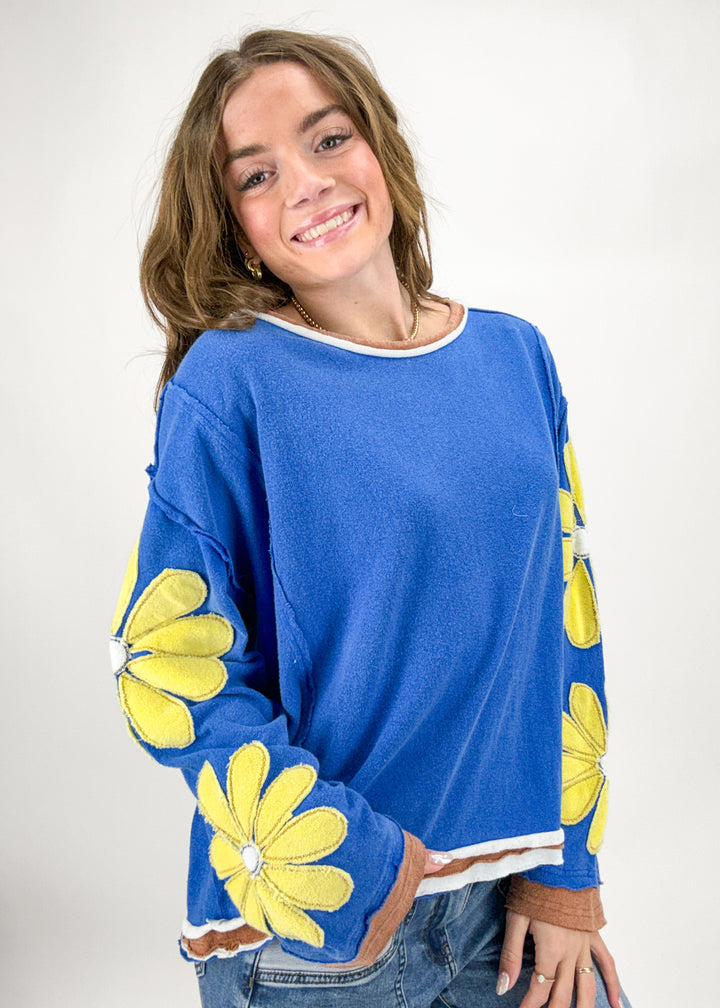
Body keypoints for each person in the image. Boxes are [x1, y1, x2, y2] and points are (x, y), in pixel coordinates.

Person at [110, 28, 632, 1008]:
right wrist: (353, 866)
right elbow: (167, 664)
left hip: (515, 904)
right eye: (256, 175)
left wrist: (569, 871)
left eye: (328, 139)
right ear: (234, 224)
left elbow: (567, 619)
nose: (306, 183)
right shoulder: (232, 380)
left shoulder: (516, 356)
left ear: (379, 147)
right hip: (318, 942)